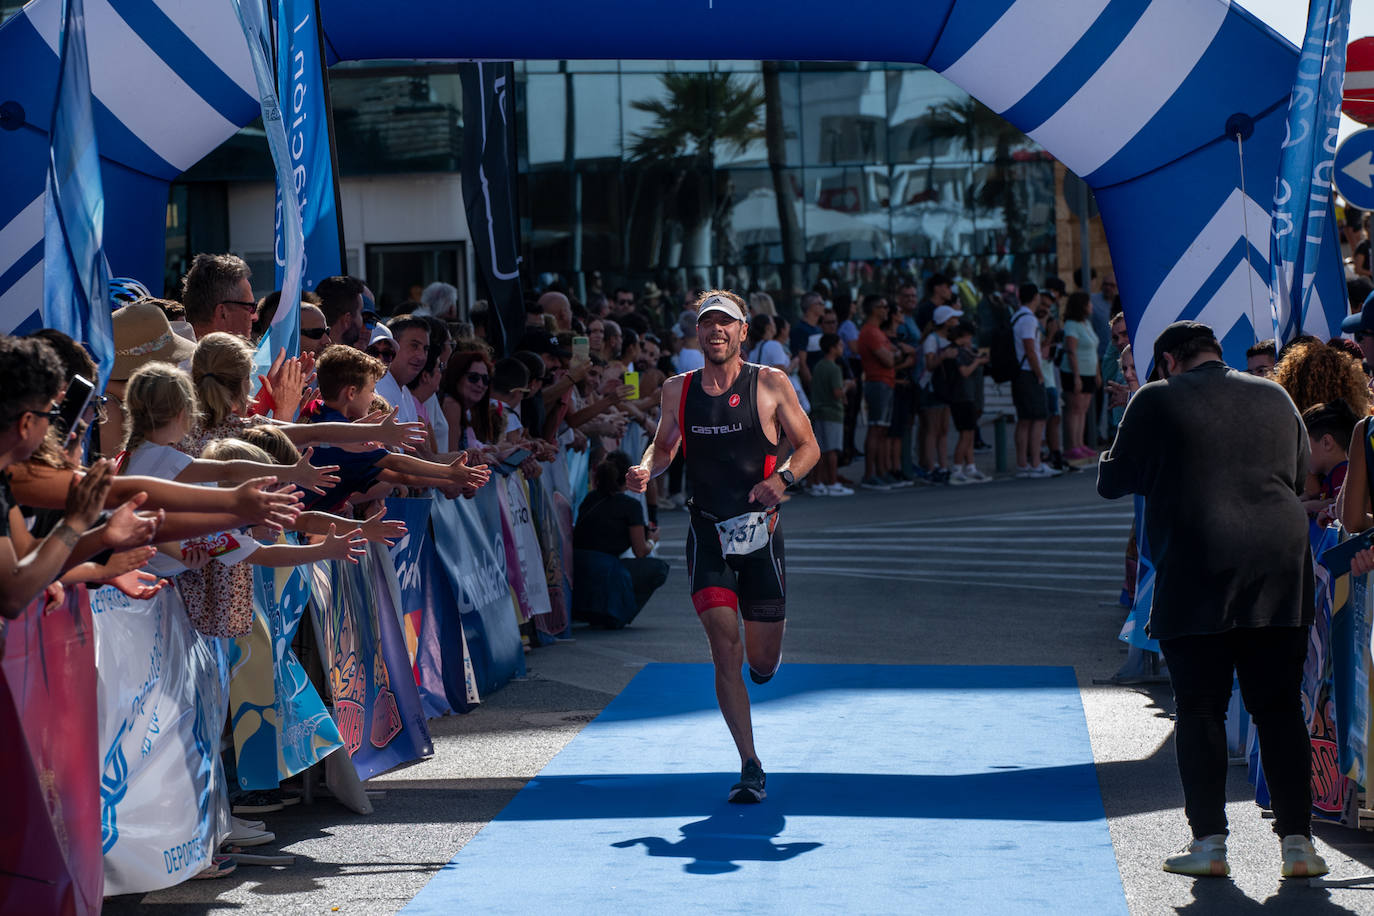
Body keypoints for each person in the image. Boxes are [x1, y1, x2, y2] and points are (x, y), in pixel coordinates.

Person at [1097, 320, 1327, 880]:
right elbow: (1299, 473)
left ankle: (1210, 844)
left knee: (1200, 707)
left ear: (1168, 362)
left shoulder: (1156, 397)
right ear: (1216, 353)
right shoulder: (1274, 395)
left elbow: (1113, 480)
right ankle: (1298, 844)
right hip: (1278, 562)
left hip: (1197, 561)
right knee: (1278, 706)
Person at [627, 290, 819, 804]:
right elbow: (664, 446)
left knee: (761, 659)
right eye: (707, 322)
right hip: (707, 533)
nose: (716, 330)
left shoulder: (770, 383)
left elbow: (809, 446)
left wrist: (782, 480)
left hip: (760, 536)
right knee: (724, 647)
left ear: (742, 332)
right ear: (697, 332)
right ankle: (750, 763)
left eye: (725, 323)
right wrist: (646, 469)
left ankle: (765, 662)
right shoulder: (678, 389)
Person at [573, 451, 669, 616]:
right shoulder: (631, 506)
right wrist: (652, 540)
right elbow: (640, 551)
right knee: (658, 568)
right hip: (604, 568)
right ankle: (620, 611)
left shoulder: (590, 498)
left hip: (579, 566)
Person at [936, 320, 990, 484]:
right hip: (961, 397)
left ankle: (970, 467)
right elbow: (964, 372)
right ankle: (957, 468)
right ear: (965, 336)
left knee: (970, 433)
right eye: (970, 337)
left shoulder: (961, 351)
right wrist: (977, 362)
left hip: (967, 396)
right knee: (965, 435)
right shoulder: (955, 352)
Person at [1010, 284, 1054, 478]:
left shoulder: (1016, 316)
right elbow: (1030, 349)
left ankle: (1023, 464)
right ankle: (1035, 463)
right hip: (1029, 373)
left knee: (1024, 420)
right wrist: (1039, 374)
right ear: (1035, 297)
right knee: (1037, 418)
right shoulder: (1028, 319)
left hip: (1020, 373)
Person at [807, 333, 853, 496]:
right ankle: (832, 482)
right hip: (832, 412)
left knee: (820, 450)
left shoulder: (819, 366)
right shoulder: (834, 368)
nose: (842, 347)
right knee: (832, 449)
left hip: (819, 412)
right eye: (839, 345)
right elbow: (837, 392)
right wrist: (847, 386)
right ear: (832, 348)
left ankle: (817, 482)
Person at [1059, 291, 1101, 461]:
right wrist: (1076, 376)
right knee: (1074, 409)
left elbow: (1093, 349)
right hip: (1074, 372)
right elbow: (1071, 351)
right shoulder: (1071, 325)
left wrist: (1097, 373)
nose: (1091, 306)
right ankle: (1072, 446)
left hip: (1089, 371)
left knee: (1083, 409)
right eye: (1088, 303)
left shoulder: (1086, 323)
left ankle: (1080, 443)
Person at [1300, 401, 1355, 523]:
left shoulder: (1343, 472)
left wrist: (1309, 506)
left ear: (1327, 442)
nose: (1301, 453)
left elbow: (1342, 505)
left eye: (1304, 445)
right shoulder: (1332, 476)